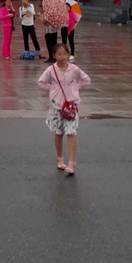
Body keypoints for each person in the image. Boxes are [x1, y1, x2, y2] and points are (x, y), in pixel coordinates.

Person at [37, 44, 91, 176]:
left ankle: (72, 162)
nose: (62, 57)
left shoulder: (74, 69)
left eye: (64, 54)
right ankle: (60, 158)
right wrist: (52, 89)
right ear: (54, 55)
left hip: (71, 106)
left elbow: (86, 79)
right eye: (59, 54)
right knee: (59, 132)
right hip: (57, 106)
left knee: (71, 132)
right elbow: (41, 82)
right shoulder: (51, 70)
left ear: (68, 54)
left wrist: (76, 88)